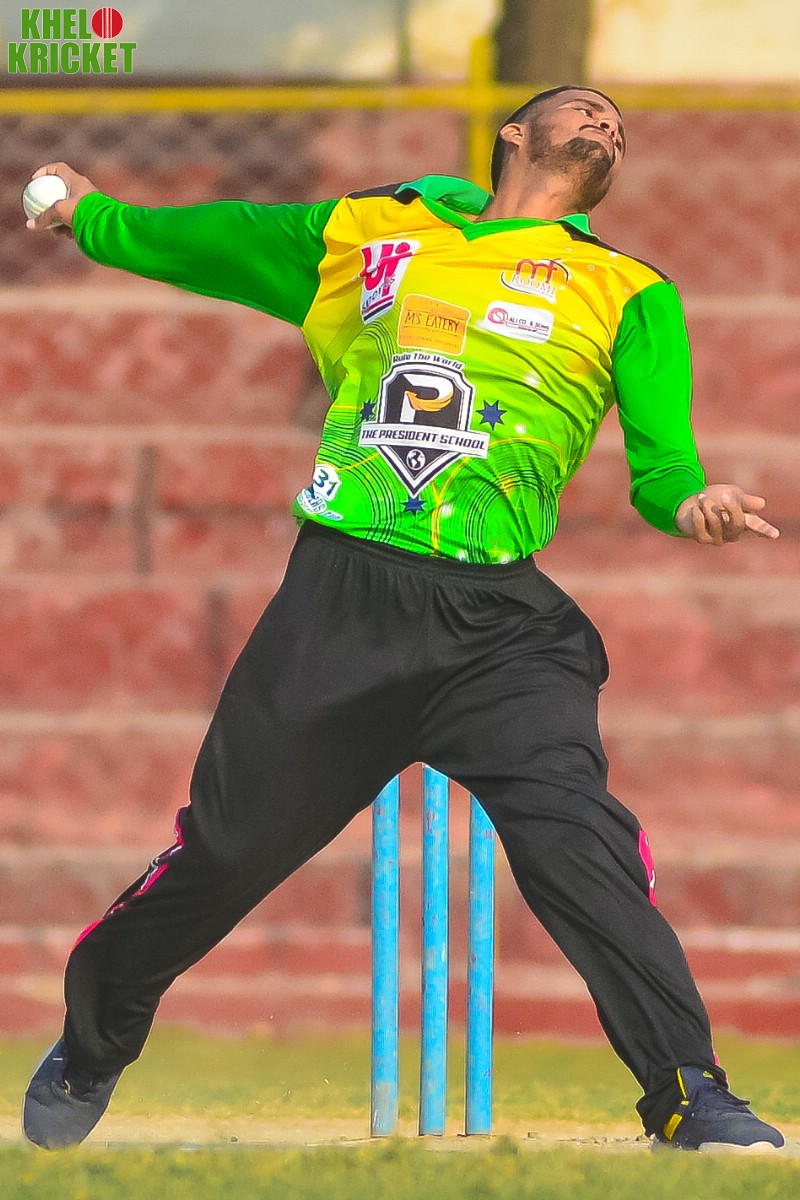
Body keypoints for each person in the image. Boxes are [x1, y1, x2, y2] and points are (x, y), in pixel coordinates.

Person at [22, 86, 784, 1153]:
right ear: (512, 132)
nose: (604, 123)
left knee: (580, 844)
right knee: (225, 855)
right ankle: (94, 1042)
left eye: (618, 122)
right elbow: (219, 240)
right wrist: (90, 214)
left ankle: (687, 1090)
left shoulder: (629, 290)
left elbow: (665, 470)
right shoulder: (377, 229)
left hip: (502, 629)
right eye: (581, 108)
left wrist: (694, 505)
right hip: (342, 603)